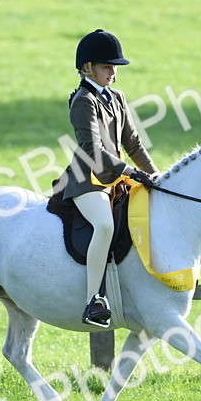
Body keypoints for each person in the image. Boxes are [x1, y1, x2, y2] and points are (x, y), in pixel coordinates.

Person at [57, 29, 160, 328]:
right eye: (106, 66)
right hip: (88, 179)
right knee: (104, 225)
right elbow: (93, 150)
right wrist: (129, 171)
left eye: (115, 67)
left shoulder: (117, 97)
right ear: (87, 67)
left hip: (115, 178)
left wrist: (155, 175)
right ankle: (93, 300)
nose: (113, 72)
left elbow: (133, 144)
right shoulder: (82, 100)